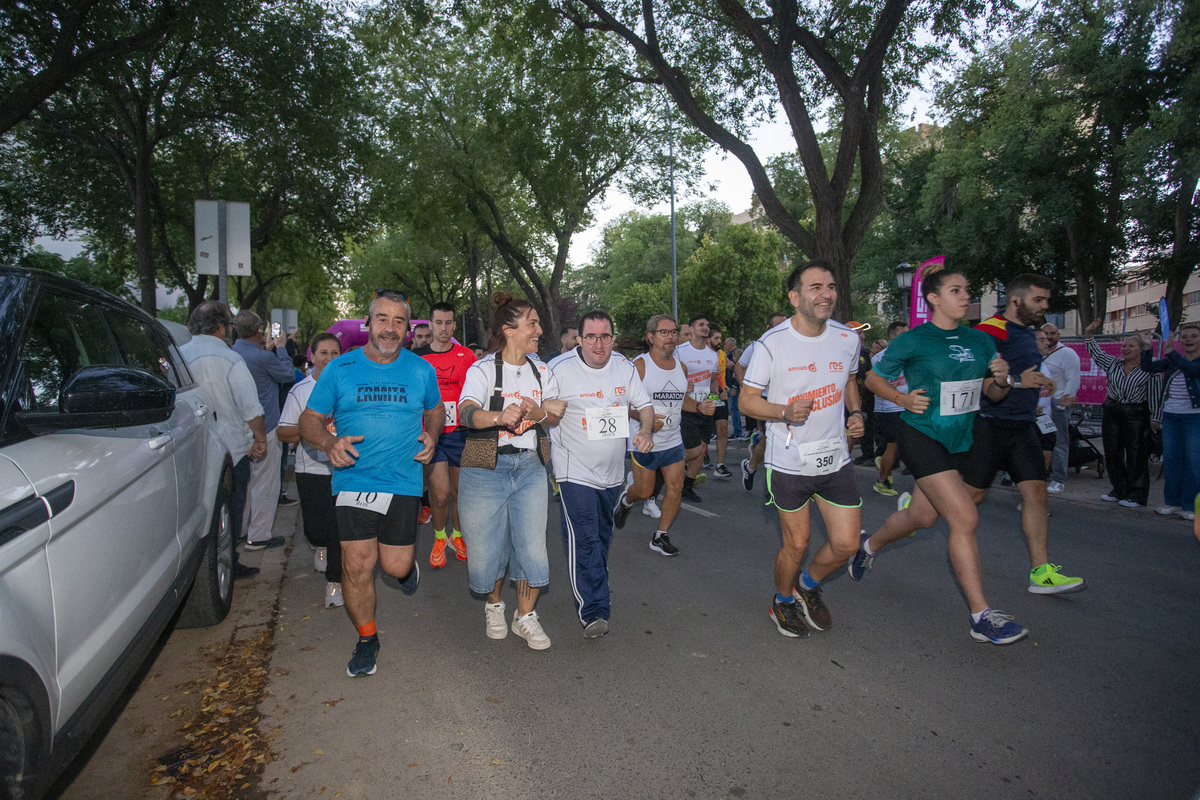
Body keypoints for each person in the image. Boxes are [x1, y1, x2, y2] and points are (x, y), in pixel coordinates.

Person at [852, 268, 1029, 645]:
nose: (966, 296)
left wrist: (1000, 380)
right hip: (921, 433)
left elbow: (992, 395)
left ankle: (868, 546)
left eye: (967, 290)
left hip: (962, 438)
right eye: (956, 290)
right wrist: (901, 399)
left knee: (923, 517)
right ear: (933, 298)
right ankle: (982, 617)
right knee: (965, 517)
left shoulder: (980, 341)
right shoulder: (915, 340)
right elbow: (872, 379)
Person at [299, 290, 443, 677]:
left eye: (399, 321)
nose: (390, 328)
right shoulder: (340, 369)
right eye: (383, 319)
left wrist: (432, 435)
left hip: (403, 480)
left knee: (394, 566)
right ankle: (367, 638)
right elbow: (308, 420)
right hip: (354, 479)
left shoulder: (421, 370)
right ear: (368, 323)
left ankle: (405, 571)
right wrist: (329, 442)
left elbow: (435, 410)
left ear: (408, 330)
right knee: (357, 565)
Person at [738, 262, 866, 639]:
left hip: (834, 457)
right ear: (795, 297)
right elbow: (747, 400)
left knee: (846, 543)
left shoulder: (847, 338)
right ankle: (782, 599)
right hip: (789, 461)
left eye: (830, 286)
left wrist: (855, 413)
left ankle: (807, 585)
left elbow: (850, 381)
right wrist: (782, 411)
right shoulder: (771, 344)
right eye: (814, 287)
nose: (825, 294)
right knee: (797, 543)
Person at [457, 293, 565, 650]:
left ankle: (525, 617)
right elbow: (466, 412)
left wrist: (538, 413)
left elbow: (555, 411)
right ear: (509, 329)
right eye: (531, 323)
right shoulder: (483, 370)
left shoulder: (542, 369)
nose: (538, 330)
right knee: (487, 551)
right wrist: (498, 416)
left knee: (532, 548)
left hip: (531, 468)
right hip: (485, 468)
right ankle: (494, 605)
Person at [967, 273, 1084, 594]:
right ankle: (917, 509)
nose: (1045, 306)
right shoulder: (989, 331)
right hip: (990, 424)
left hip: (1023, 426)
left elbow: (1024, 374)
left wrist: (1039, 385)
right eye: (1039, 300)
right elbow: (984, 386)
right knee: (972, 497)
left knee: (1036, 493)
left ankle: (1041, 572)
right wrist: (1020, 382)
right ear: (1016, 301)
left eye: (1047, 300)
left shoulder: (1026, 333)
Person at [550, 311, 654, 637]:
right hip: (573, 470)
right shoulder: (559, 370)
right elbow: (541, 411)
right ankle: (594, 610)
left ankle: (595, 579)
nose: (599, 344)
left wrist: (646, 431)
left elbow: (645, 406)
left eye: (605, 336)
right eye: (591, 337)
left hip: (612, 474)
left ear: (613, 338)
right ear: (579, 339)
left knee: (602, 538)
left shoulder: (623, 367)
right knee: (586, 538)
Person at [179, 301, 268, 581]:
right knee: (231, 507)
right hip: (233, 450)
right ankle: (230, 559)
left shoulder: (178, 357)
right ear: (221, 328)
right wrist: (260, 439)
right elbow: (250, 407)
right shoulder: (230, 360)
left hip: (191, 449)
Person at [613, 314, 690, 557]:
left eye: (674, 332)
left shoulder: (682, 367)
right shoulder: (639, 366)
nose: (671, 337)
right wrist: (644, 419)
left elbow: (681, 400)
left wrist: (699, 406)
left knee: (675, 487)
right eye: (664, 332)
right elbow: (620, 404)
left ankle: (660, 536)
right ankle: (627, 499)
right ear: (651, 337)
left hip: (673, 440)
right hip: (644, 441)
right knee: (645, 492)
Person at [278, 333, 345, 607]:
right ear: (312, 356)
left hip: (345, 470)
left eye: (335, 353)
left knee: (339, 529)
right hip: (311, 470)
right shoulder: (300, 391)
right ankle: (319, 545)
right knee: (317, 530)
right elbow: (283, 432)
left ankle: (335, 582)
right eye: (324, 353)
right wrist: (310, 432)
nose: (329, 358)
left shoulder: (350, 388)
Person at [412, 302, 474, 567]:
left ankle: (457, 536)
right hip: (433, 434)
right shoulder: (417, 358)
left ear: (453, 325)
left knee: (462, 492)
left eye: (449, 323)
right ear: (431, 323)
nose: (444, 328)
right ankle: (439, 536)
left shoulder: (467, 356)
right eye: (439, 323)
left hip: (461, 434)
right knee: (440, 493)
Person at [232, 311, 297, 550]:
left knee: (243, 485)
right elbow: (287, 373)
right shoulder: (263, 357)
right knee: (265, 484)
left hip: (237, 429)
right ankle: (258, 535)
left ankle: (238, 530)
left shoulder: (232, 355)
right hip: (266, 426)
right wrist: (281, 348)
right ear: (259, 330)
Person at [1083, 318, 1154, 507]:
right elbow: (1096, 353)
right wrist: (1089, 333)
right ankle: (1119, 489)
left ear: (1141, 349)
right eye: (1124, 345)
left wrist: (1155, 418)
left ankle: (1137, 494)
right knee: (1112, 451)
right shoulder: (1114, 363)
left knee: (1136, 453)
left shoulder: (1149, 369)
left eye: (1131, 345)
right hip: (1112, 410)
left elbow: (1154, 395)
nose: (1126, 348)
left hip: (1136, 413)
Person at [1144, 322, 1200, 521]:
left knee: (1194, 464)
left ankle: (1191, 505)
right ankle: (1172, 502)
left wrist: (1171, 353)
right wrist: (1148, 348)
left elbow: (1193, 370)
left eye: (1194, 336)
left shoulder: (1183, 360)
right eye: (1184, 337)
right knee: (1172, 461)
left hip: (1194, 418)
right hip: (1170, 417)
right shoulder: (1174, 360)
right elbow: (1148, 367)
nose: (1188, 340)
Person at [738, 311, 789, 492]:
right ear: (768, 328)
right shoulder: (758, 345)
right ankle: (759, 475)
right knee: (771, 440)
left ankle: (754, 467)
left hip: (788, 400)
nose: (783, 329)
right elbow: (740, 367)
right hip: (766, 399)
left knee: (780, 440)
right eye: (778, 326)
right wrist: (749, 393)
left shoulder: (793, 344)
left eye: (786, 324)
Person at [674, 315, 719, 501]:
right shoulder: (680, 351)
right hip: (687, 408)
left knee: (702, 449)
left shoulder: (712, 355)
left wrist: (715, 399)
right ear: (691, 329)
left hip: (706, 408)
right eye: (701, 325)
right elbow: (670, 376)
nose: (705, 328)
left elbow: (713, 381)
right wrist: (683, 385)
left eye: (707, 325)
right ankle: (665, 466)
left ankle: (687, 486)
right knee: (692, 450)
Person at [1040, 322, 1081, 494]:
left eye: (1053, 333)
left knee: (1059, 443)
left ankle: (1058, 479)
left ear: (1058, 335)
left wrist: (1064, 404)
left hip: (1056, 407)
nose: (1049, 337)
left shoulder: (1067, 354)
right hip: (1039, 409)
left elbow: (1073, 379)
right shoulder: (1037, 354)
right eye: (1045, 334)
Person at [871, 321, 909, 496]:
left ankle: (883, 461)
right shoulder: (880, 357)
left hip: (906, 405)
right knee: (894, 447)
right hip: (888, 408)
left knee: (904, 446)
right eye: (902, 334)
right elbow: (876, 383)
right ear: (892, 336)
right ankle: (882, 482)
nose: (906, 337)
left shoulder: (910, 354)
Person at [1034, 329, 1059, 475]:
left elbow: (1045, 394)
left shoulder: (1043, 365)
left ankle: (1041, 480)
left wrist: (1058, 402)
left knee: (1048, 448)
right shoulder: (1024, 364)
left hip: (1045, 418)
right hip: (1029, 419)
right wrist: (1030, 407)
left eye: (1047, 340)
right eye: (1042, 340)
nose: (1047, 343)